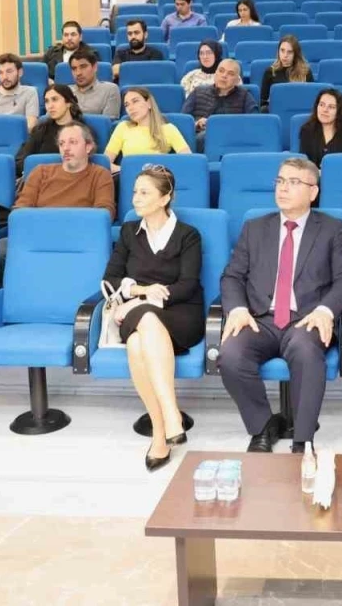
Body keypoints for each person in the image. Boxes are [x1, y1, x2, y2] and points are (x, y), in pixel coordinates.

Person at [219, 158, 342, 453]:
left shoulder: (332, 229)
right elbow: (232, 276)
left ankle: (302, 440)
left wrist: (325, 311)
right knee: (230, 354)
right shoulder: (255, 228)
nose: (283, 188)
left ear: (313, 192)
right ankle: (262, 427)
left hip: (306, 318)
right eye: (280, 181)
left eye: (294, 182)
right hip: (260, 318)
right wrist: (238, 309)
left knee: (306, 351)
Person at [102, 165, 205, 470]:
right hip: (140, 313)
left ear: (165, 198)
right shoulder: (128, 232)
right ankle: (168, 421)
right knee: (144, 324)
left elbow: (187, 285)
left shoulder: (188, 235)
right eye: (135, 191)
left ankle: (162, 431)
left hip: (181, 313)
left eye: (144, 192)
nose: (135, 198)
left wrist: (139, 300)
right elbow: (110, 278)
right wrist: (142, 291)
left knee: (138, 342)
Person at [14, 122, 115, 214]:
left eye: (73, 142)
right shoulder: (40, 172)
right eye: (61, 143)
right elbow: (21, 210)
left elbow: (104, 214)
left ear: (88, 147)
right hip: (41, 226)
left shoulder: (100, 175)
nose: (65, 148)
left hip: (81, 228)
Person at [104, 87, 192, 169]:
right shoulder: (123, 127)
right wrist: (126, 171)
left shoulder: (169, 129)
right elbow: (105, 163)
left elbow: (188, 161)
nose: (130, 108)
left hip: (158, 177)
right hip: (129, 177)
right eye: (127, 105)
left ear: (149, 103)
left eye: (135, 101)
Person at [183, 59, 258, 149]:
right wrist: (196, 124)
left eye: (230, 74)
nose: (224, 76)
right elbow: (183, 121)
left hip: (232, 140)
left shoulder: (245, 96)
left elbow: (255, 123)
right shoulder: (198, 91)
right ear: (215, 73)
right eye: (221, 71)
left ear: (237, 80)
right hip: (201, 139)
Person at [14, 84, 86, 176]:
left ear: (68, 103)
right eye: (47, 101)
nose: (50, 106)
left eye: (55, 99)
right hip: (40, 179)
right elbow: (20, 160)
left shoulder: (83, 131)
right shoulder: (40, 130)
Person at [298, 88, 342, 169]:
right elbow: (303, 164)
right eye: (321, 105)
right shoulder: (306, 130)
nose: (325, 110)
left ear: (339, 111)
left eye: (331, 107)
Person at [259, 35, 314, 111]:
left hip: (300, 110)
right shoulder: (270, 72)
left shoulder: (306, 71)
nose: (285, 55)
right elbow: (263, 102)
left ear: (295, 54)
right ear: (278, 51)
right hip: (278, 111)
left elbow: (312, 100)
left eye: (289, 52)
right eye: (282, 50)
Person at [67, 46, 122, 118]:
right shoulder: (66, 92)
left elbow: (107, 122)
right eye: (74, 68)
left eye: (83, 67)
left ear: (94, 67)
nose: (78, 73)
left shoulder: (110, 90)